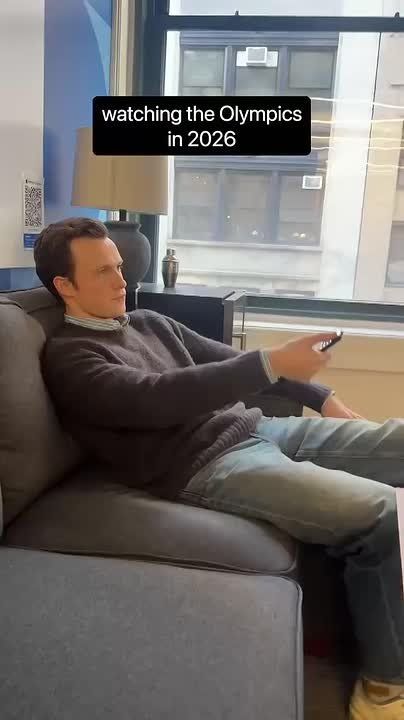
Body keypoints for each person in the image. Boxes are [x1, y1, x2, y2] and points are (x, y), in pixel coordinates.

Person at [35, 216, 404, 720]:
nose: (122, 280)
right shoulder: (70, 357)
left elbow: (227, 360)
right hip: (206, 464)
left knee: (396, 439)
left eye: (119, 267)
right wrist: (272, 363)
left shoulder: (149, 323)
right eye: (103, 271)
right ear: (65, 286)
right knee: (374, 509)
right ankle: (383, 687)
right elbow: (154, 399)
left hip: (254, 429)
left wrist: (323, 396)